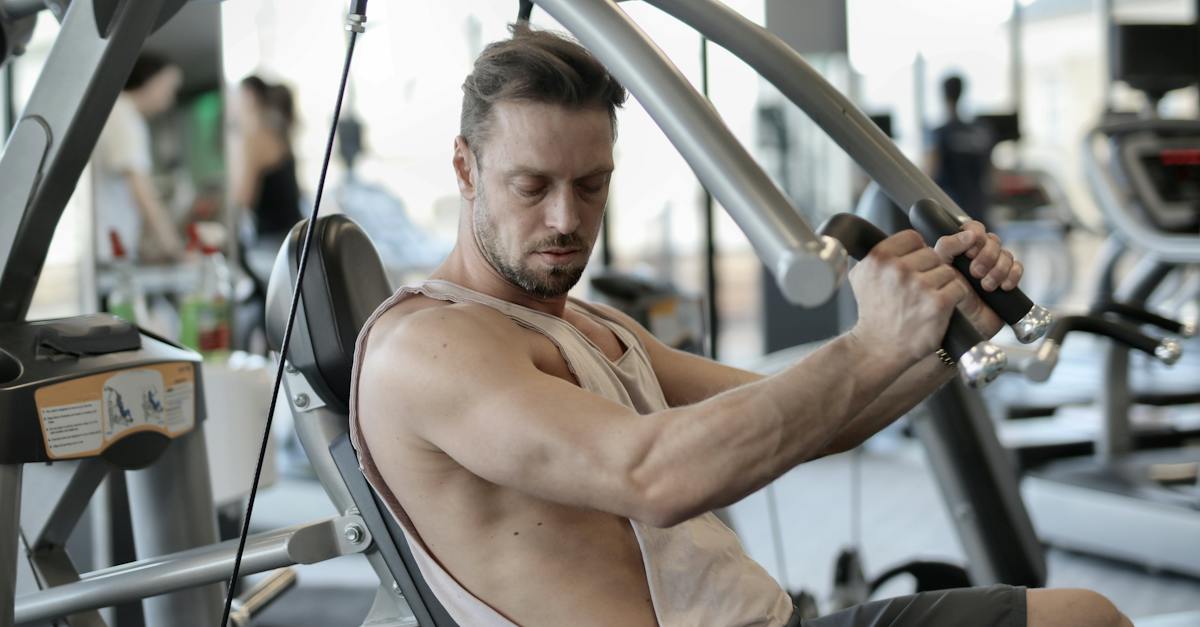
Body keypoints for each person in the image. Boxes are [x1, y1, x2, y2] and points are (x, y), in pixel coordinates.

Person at [351, 26, 1130, 627]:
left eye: (591, 185)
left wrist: (944, 327)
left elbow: (813, 419)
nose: (566, 218)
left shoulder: (589, 324)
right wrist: (870, 344)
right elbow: (650, 477)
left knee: (1083, 616)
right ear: (463, 168)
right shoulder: (425, 347)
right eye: (532, 185)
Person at [92, 52, 184, 264]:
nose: (170, 98)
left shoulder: (116, 111)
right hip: (109, 249)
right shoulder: (124, 115)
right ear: (150, 81)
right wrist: (173, 247)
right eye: (168, 88)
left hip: (108, 244)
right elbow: (140, 188)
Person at [231, 75, 302, 245]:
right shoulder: (277, 132)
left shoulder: (256, 138)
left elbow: (245, 198)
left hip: (274, 238)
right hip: (292, 230)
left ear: (250, 97)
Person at [927, 74, 995, 224]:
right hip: (979, 209)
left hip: (950, 212)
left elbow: (930, 173)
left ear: (943, 95)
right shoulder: (982, 130)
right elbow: (991, 175)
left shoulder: (939, 133)